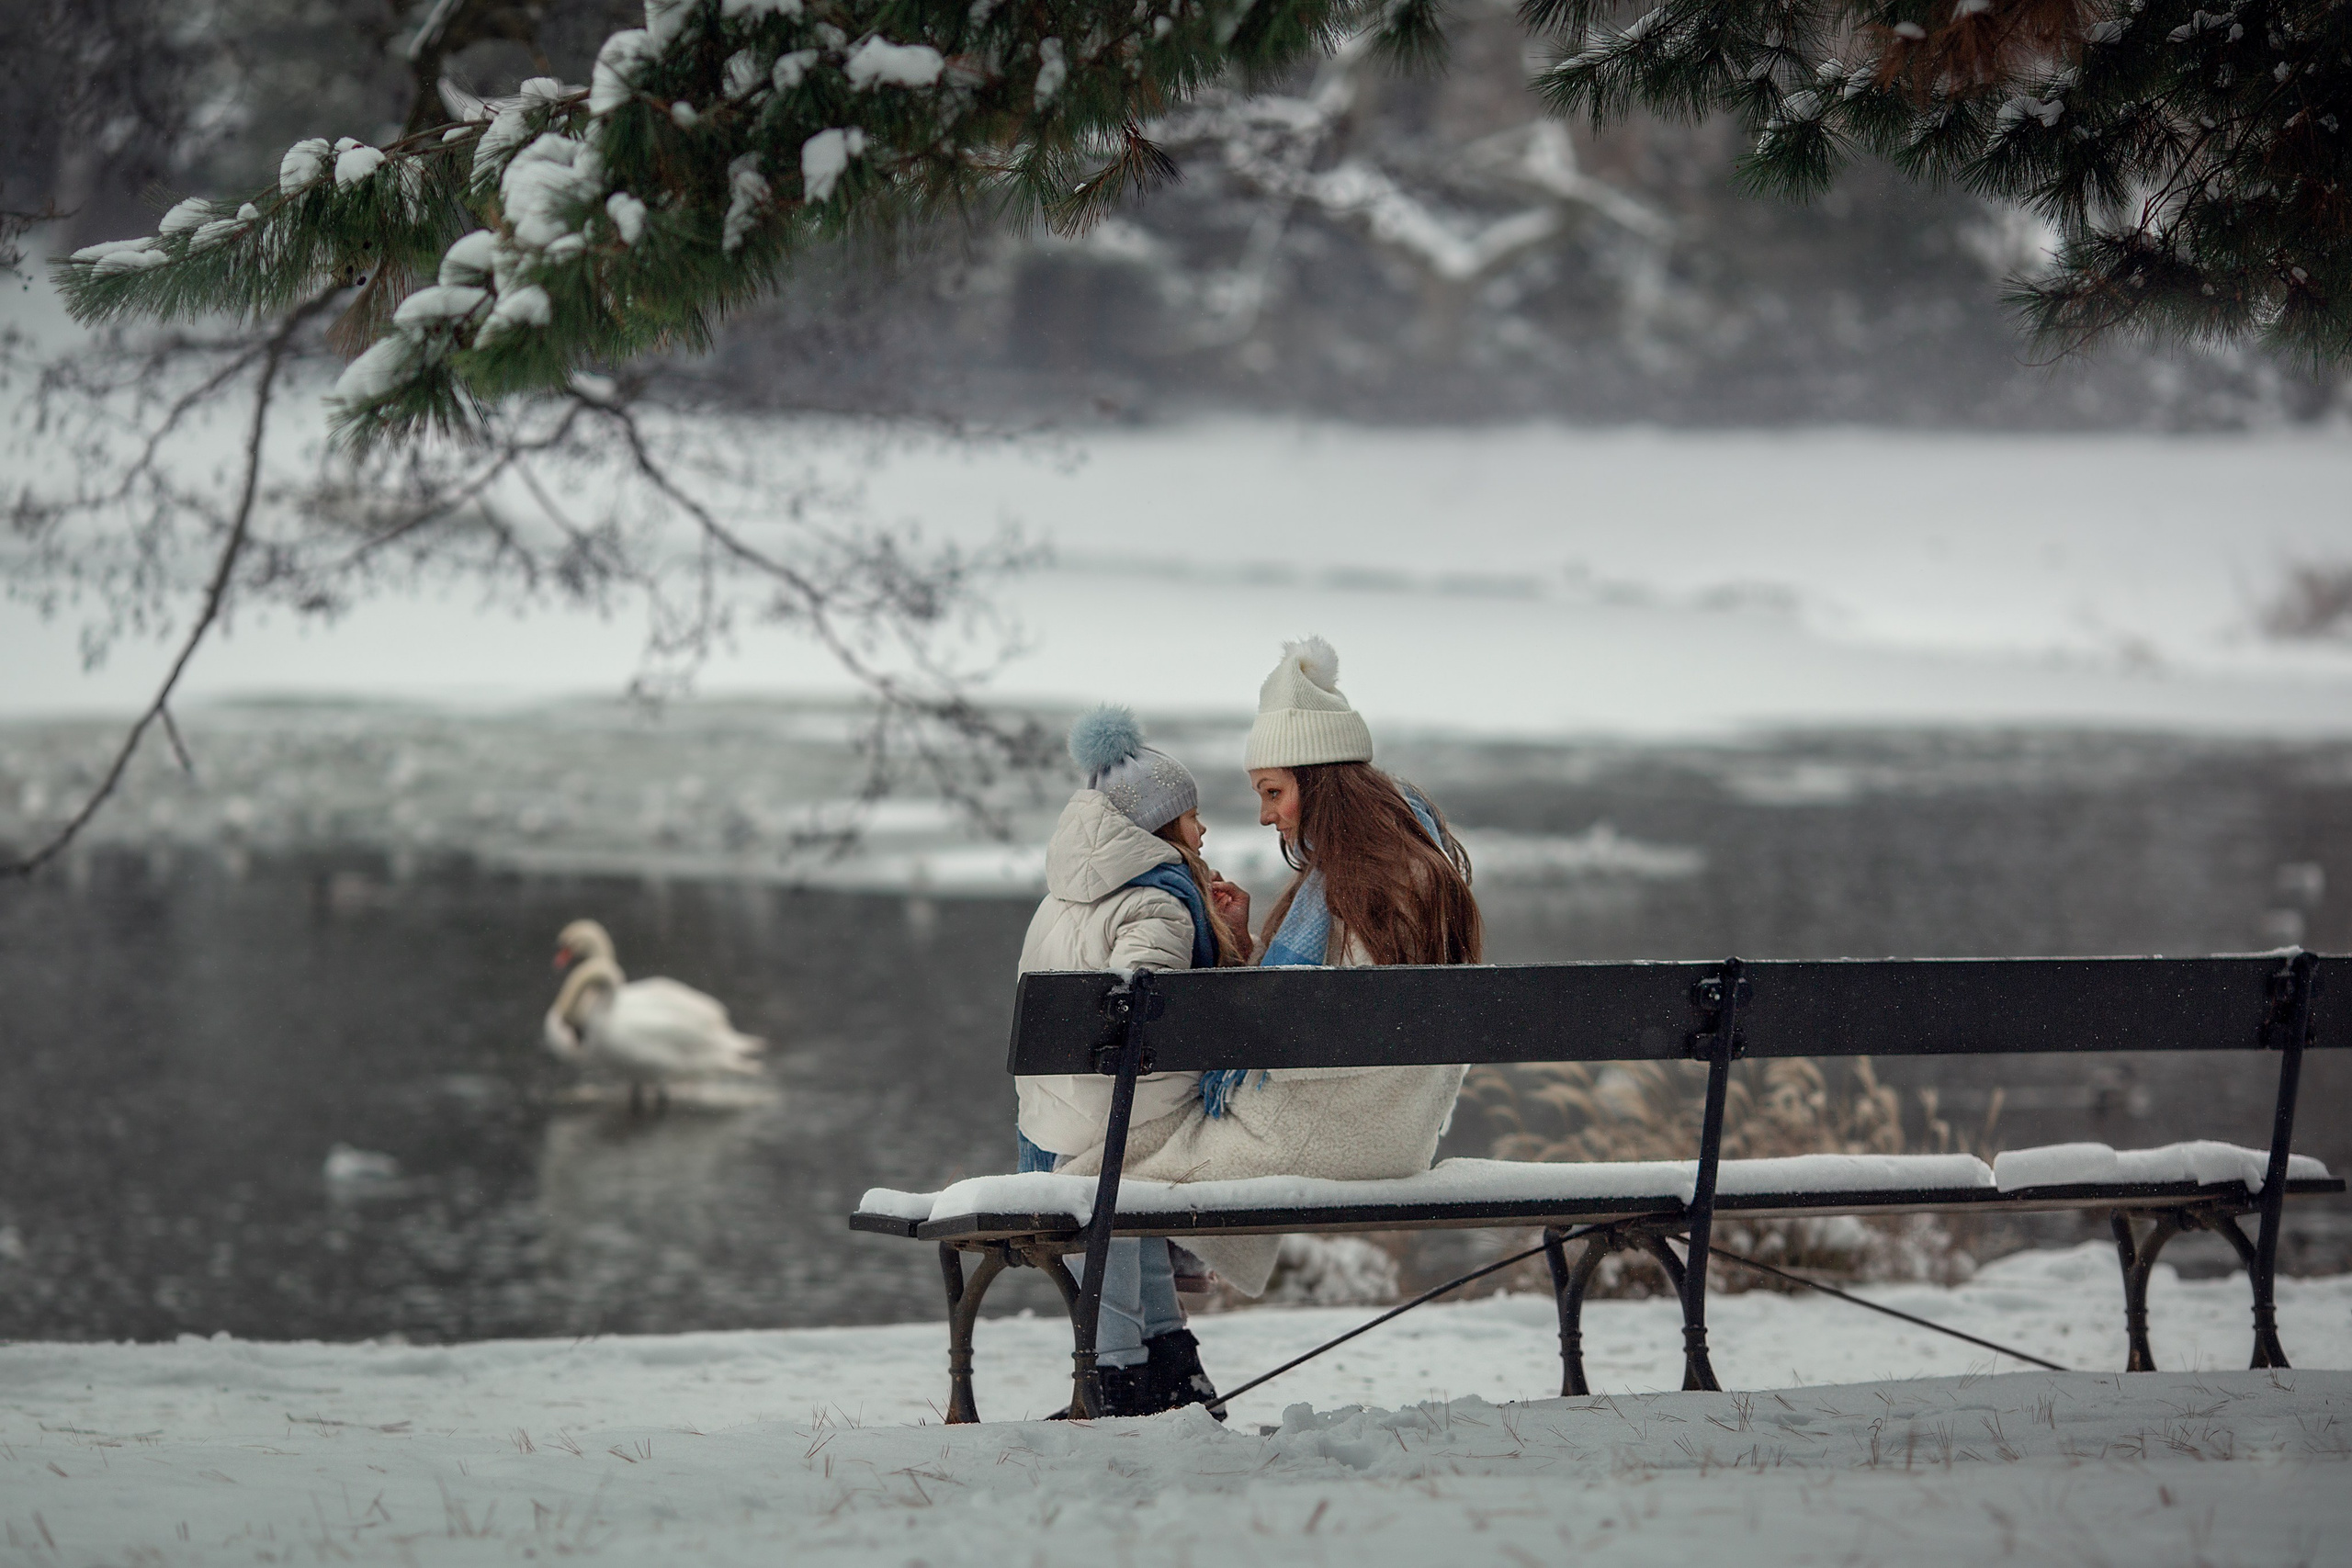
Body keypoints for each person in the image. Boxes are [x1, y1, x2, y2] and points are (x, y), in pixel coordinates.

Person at [1057, 636, 1480, 1304]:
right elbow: (1336, 1011)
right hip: (1391, 1130)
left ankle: (1133, 1364)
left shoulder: (1368, 883)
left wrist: (1236, 968)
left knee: (1094, 1169)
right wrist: (1252, 944)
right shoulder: (1416, 865)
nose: (1264, 814)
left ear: (1320, 780)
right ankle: (1163, 1350)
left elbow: (1303, 1030)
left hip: (1340, 1133)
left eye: (1274, 790)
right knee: (1139, 1151)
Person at [1015, 705, 1251, 1417]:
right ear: (1155, 827)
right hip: (1120, 1124)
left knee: (1120, 1188)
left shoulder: (1060, 900)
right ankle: (1121, 1376)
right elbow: (1140, 1007)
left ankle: (1161, 1368)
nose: (1202, 830)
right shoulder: (1159, 905)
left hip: (1057, 1122)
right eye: (1191, 816)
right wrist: (1230, 948)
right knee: (1124, 1179)